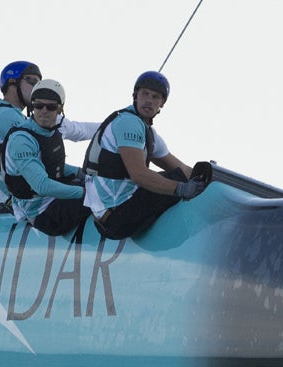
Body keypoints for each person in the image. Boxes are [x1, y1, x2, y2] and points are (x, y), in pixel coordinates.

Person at [82, 70, 209, 240]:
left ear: (162, 104)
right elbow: (139, 175)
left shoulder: (148, 133)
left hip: (114, 213)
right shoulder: (129, 123)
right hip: (114, 220)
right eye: (145, 94)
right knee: (178, 183)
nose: (149, 100)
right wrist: (183, 189)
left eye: (156, 97)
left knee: (180, 177)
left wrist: (208, 182)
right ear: (135, 96)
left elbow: (182, 169)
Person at [0, 60, 99, 207]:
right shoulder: (5, 116)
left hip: (28, 190)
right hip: (14, 197)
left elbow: (78, 130)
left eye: (39, 81)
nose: (36, 85)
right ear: (12, 83)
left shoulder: (26, 119)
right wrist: (81, 180)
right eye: (31, 80)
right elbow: (42, 163)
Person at [1, 79, 91, 236]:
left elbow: (53, 164)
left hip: (53, 200)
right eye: (38, 106)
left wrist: (83, 173)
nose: (44, 111)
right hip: (42, 214)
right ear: (32, 106)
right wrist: (86, 193)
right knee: (103, 196)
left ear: (59, 109)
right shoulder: (22, 140)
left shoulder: (52, 130)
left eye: (51, 107)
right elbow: (41, 186)